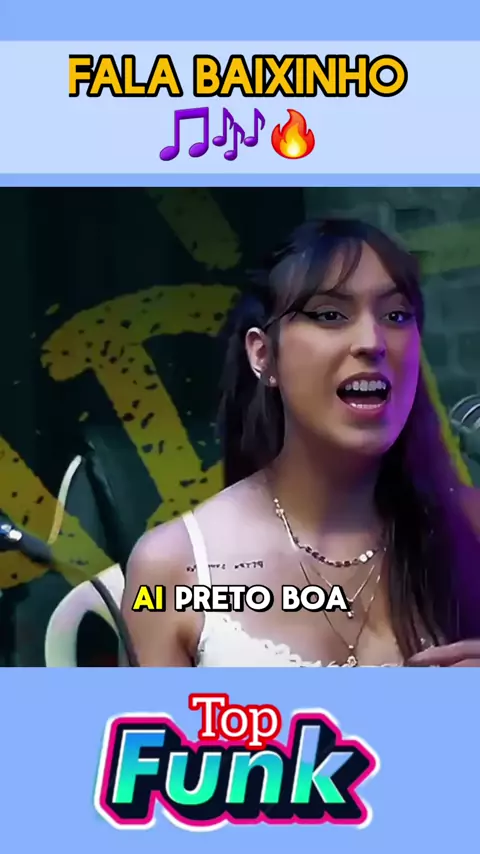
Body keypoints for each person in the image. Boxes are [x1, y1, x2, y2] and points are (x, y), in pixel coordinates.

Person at [121, 218, 480, 667]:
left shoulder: (469, 527)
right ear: (263, 354)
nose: (372, 342)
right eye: (330, 315)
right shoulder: (172, 567)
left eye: (395, 315)